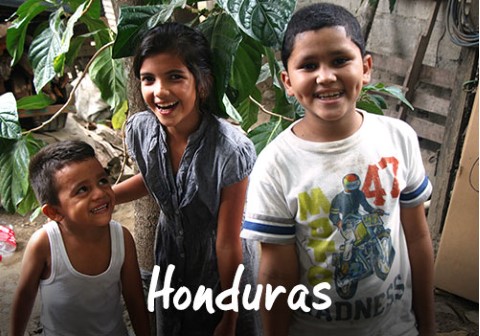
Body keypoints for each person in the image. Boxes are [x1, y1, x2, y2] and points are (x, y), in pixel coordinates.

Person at [240, 3, 435, 336]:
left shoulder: (398, 138)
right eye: (309, 65)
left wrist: (428, 327)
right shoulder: (275, 164)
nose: (326, 75)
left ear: (366, 67)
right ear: (287, 81)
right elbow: (276, 275)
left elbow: (416, 237)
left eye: (340, 60)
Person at [112, 22, 259, 336]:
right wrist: (108, 197)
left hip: (220, 270)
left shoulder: (230, 149)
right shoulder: (141, 128)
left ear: (201, 82)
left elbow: (228, 242)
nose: (160, 91)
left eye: (175, 77)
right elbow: (155, 180)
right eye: (148, 79)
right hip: (170, 259)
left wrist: (230, 316)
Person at [9, 140, 150, 336]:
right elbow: (24, 297)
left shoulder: (122, 238)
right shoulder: (45, 244)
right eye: (82, 190)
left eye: (102, 180)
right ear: (54, 212)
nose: (100, 193)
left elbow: (135, 300)